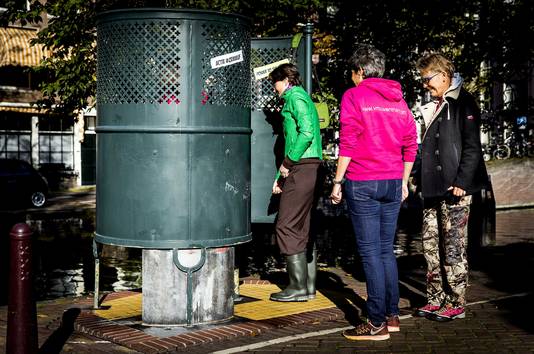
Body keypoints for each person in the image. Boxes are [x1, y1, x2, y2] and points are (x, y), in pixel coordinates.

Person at [330, 44, 417, 341]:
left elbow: (349, 142)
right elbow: (410, 144)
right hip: (393, 181)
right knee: (385, 250)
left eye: (352, 73)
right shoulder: (399, 100)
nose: (351, 78)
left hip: (363, 181)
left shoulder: (354, 96)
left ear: (359, 72)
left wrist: (337, 181)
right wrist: (404, 181)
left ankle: (375, 322)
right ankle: (392, 315)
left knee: (369, 252)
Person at [413, 53, 488, 322]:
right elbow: (427, 148)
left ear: (443, 76)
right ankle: (435, 298)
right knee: (430, 245)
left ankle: (456, 302)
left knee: (453, 245)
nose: (424, 84)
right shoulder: (433, 104)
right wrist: (415, 177)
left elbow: (471, 147)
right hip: (433, 188)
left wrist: (462, 182)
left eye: (427, 79)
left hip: (455, 188)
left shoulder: (463, 102)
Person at [268, 63, 322, 302]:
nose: (274, 88)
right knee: (301, 226)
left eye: (274, 83)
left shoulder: (295, 97)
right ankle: (308, 287)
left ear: (284, 80)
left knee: (286, 225)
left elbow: (307, 132)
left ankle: (297, 286)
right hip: (307, 167)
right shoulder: (302, 97)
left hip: (301, 165)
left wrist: (288, 163)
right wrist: (281, 177)